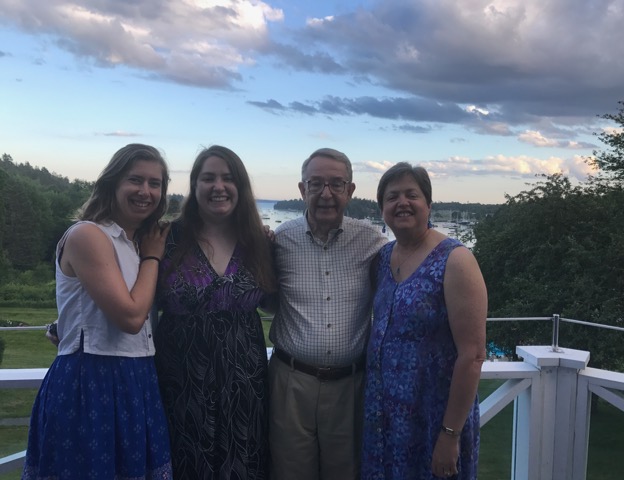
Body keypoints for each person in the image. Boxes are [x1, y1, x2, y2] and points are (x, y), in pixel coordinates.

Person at [22, 144, 173, 480]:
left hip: (139, 378)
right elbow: (131, 318)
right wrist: (153, 257)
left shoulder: (137, 241)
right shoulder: (89, 234)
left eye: (155, 183)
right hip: (91, 381)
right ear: (112, 183)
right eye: (135, 180)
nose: (145, 191)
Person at [153, 145, 278, 480]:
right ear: (194, 187)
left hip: (245, 387)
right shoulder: (165, 237)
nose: (218, 186)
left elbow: (276, 302)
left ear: (241, 187)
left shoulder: (260, 241)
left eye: (228, 178)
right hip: (180, 383)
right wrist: (73, 321)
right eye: (208, 178)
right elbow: (132, 292)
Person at [361, 162, 487, 479]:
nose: (401, 203)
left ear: (428, 204)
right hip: (384, 421)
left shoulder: (455, 259)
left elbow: (472, 355)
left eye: (411, 194)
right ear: (382, 210)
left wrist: (450, 433)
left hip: (434, 420)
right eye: (392, 197)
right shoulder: (382, 258)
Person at [269, 147, 388, 480]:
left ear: (350, 191)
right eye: (316, 183)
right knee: (289, 473)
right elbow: (263, 297)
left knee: (346, 474)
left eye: (337, 184)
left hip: (349, 386)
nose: (326, 194)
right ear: (301, 190)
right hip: (291, 384)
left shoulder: (373, 243)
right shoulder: (279, 240)